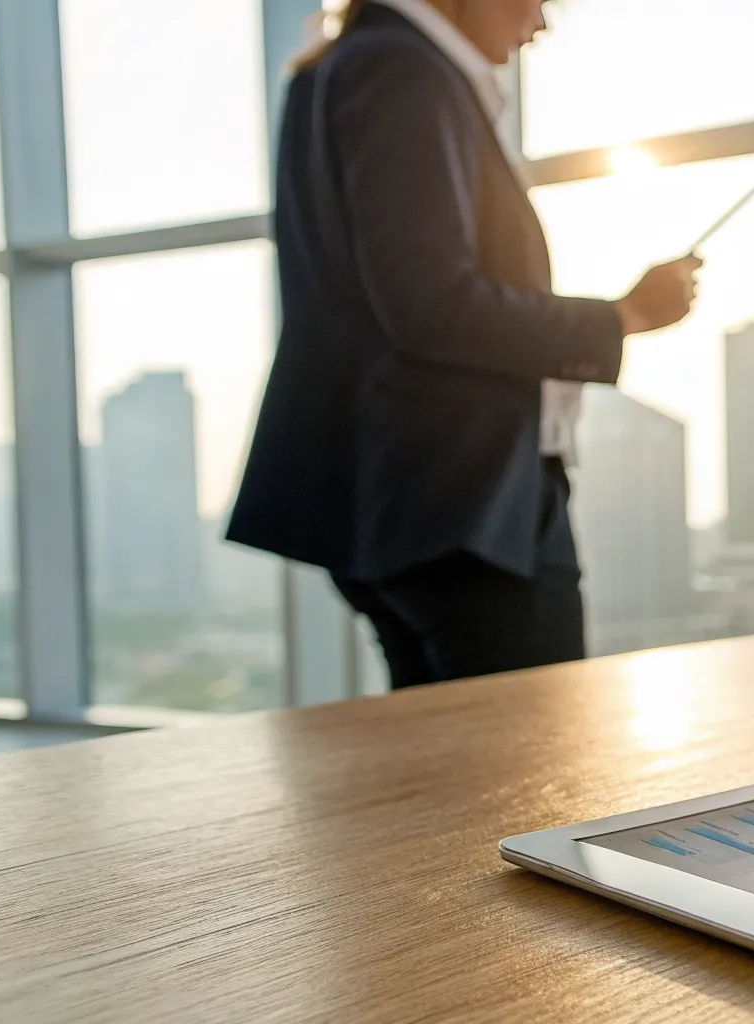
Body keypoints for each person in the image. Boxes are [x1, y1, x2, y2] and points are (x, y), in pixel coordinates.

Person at [228, 0, 700, 689]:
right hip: (462, 508)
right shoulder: (402, 69)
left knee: (448, 776)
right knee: (535, 772)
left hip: (402, 503)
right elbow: (430, 304)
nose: (542, 23)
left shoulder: (338, 68)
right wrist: (622, 316)